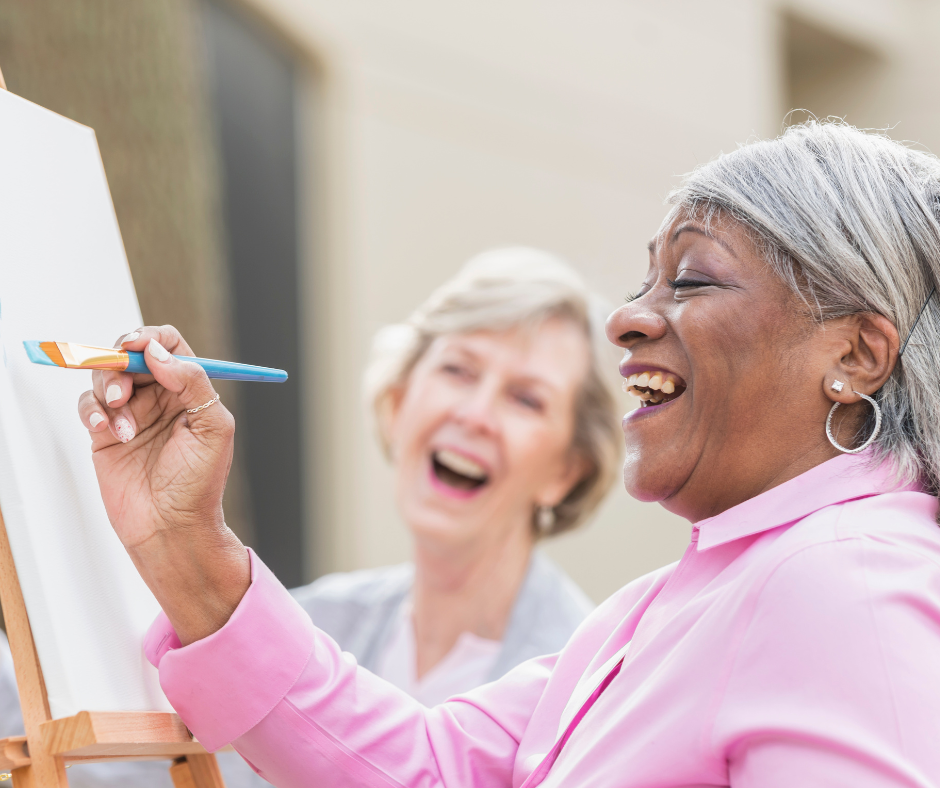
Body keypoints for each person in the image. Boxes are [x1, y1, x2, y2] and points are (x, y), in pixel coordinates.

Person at [79, 120, 940, 787]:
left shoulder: (844, 580)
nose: (628, 318)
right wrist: (183, 540)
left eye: (695, 279)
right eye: (647, 280)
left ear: (856, 355)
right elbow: (423, 766)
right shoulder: (653, 610)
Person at [0, 248, 620, 787]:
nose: (476, 414)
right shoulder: (307, 621)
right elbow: (112, 761)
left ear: (567, 469)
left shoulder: (588, 683)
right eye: (458, 370)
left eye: (526, 398)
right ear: (399, 400)